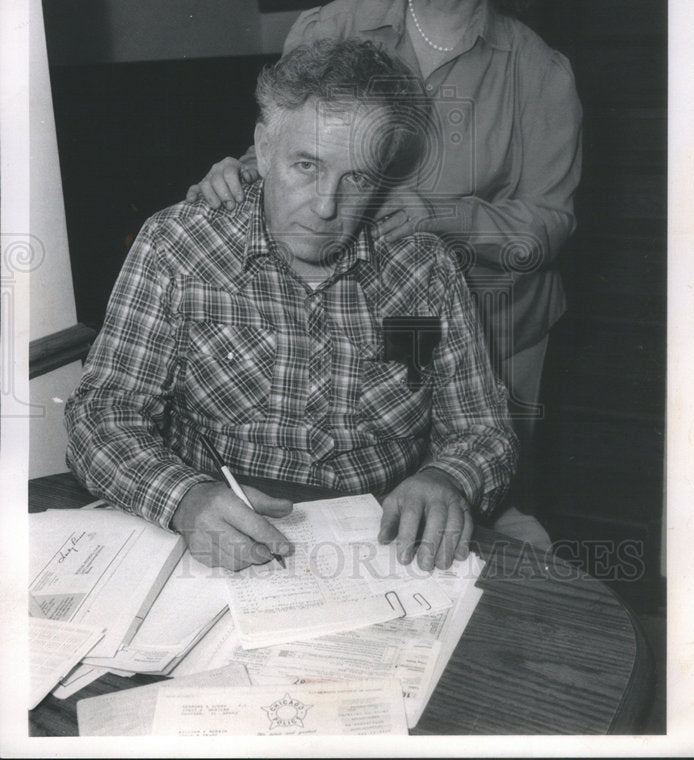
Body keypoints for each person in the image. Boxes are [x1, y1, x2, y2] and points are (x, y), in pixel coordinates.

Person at [187, 0, 582, 509]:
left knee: (462, 506)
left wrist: (442, 216)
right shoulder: (334, 26)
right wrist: (236, 172)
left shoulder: (540, 73)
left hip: (491, 324)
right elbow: (287, 151)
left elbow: (548, 225)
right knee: (354, 506)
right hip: (346, 316)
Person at [65, 38, 519, 574]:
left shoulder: (424, 271)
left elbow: (483, 429)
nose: (327, 206)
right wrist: (183, 498)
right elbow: (99, 413)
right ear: (262, 148)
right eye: (306, 165)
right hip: (217, 544)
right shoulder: (179, 247)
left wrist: (447, 477)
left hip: (379, 553)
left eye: (357, 179)